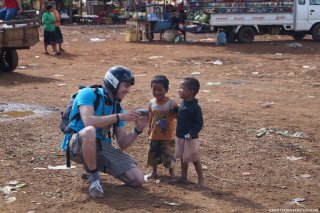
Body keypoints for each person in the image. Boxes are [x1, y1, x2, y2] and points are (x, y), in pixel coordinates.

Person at [60, 66, 149, 198]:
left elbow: (123, 143)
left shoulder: (117, 107)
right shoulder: (88, 93)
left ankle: (91, 168)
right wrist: (119, 117)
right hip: (76, 145)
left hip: (101, 147)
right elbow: (88, 122)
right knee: (89, 131)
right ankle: (94, 178)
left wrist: (138, 129)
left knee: (137, 180)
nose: (127, 90)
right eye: (125, 85)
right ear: (114, 82)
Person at [174, 77, 204, 187]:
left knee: (194, 158)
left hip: (189, 137)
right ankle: (183, 176)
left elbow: (199, 123)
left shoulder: (195, 107)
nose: (179, 90)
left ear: (191, 92)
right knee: (183, 156)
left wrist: (191, 134)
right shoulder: (183, 103)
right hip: (181, 136)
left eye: (182, 88)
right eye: (179, 87)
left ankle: (201, 180)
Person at [147, 75, 178, 179]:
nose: (157, 92)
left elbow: (177, 116)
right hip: (154, 135)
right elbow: (151, 117)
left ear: (166, 90)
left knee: (168, 154)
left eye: (160, 90)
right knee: (153, 154)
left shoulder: (171, 103)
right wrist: (149, 129)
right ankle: (154, 172)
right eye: (154, 89)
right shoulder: (151, 103)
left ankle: (172, 173)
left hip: (168, 136)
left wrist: (176, 110)